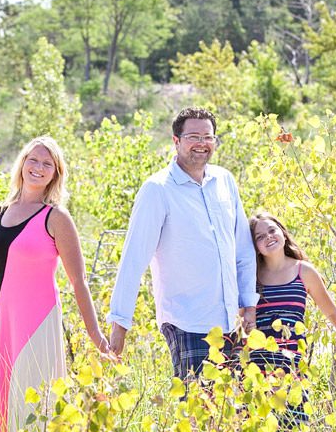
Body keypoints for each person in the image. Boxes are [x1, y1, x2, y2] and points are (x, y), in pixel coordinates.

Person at [0, 136, 111, 432]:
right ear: (22, 163)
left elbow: (79, 282)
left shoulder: (57, 218)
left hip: (39, 329)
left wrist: (97, 337)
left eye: (47, 164)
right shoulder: (0, 213)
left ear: (55, 173)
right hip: (3, 327)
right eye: (33, 160)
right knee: (1, 406)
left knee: (35, 410)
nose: (38, 167)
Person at [107, 107, 259, 381]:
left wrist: (248, 304)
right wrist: (120, 325)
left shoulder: (225, 181)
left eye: (208, 137)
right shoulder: (157, 190)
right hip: (188, 321)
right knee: (197, 412)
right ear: (176, 141)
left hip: (231, 322)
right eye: (193, 136)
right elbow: (133, 258)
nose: (202, 143)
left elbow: (243, 250)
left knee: (234, 417)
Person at [247, 212, 336, 427]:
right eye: (259, 237)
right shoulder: (251, 275)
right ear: (255, 246)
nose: (268, 237)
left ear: (283, 234)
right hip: (257, 367)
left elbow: (332, 313)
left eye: (272, 230)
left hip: (292, 367)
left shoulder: (303, 271)